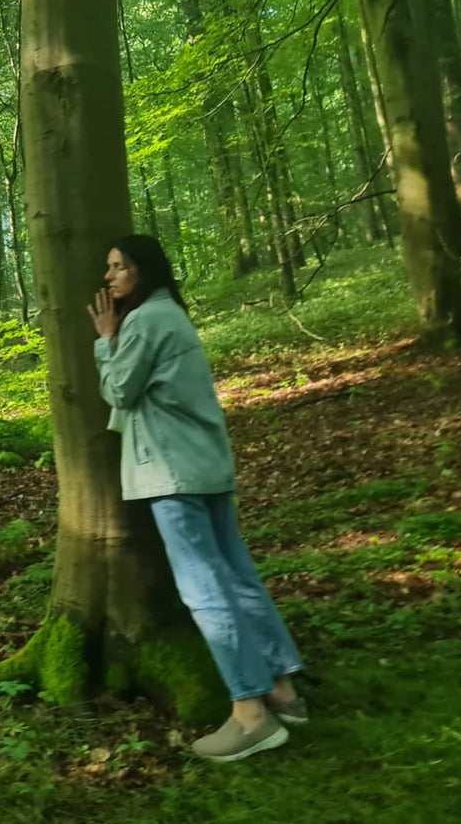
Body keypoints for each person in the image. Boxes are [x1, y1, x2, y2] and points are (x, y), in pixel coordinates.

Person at [86, 234, 306, 763]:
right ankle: (284, 691)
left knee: (204, 592)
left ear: (145, 270)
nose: (110, 278)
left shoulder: (143, 322)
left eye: (119, 267)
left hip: (171, 473)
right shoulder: (172, 316)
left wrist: (105, 338)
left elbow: (119, 391)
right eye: (108, 268)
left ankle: (251, 713)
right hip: (205, 466)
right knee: (236, 577)